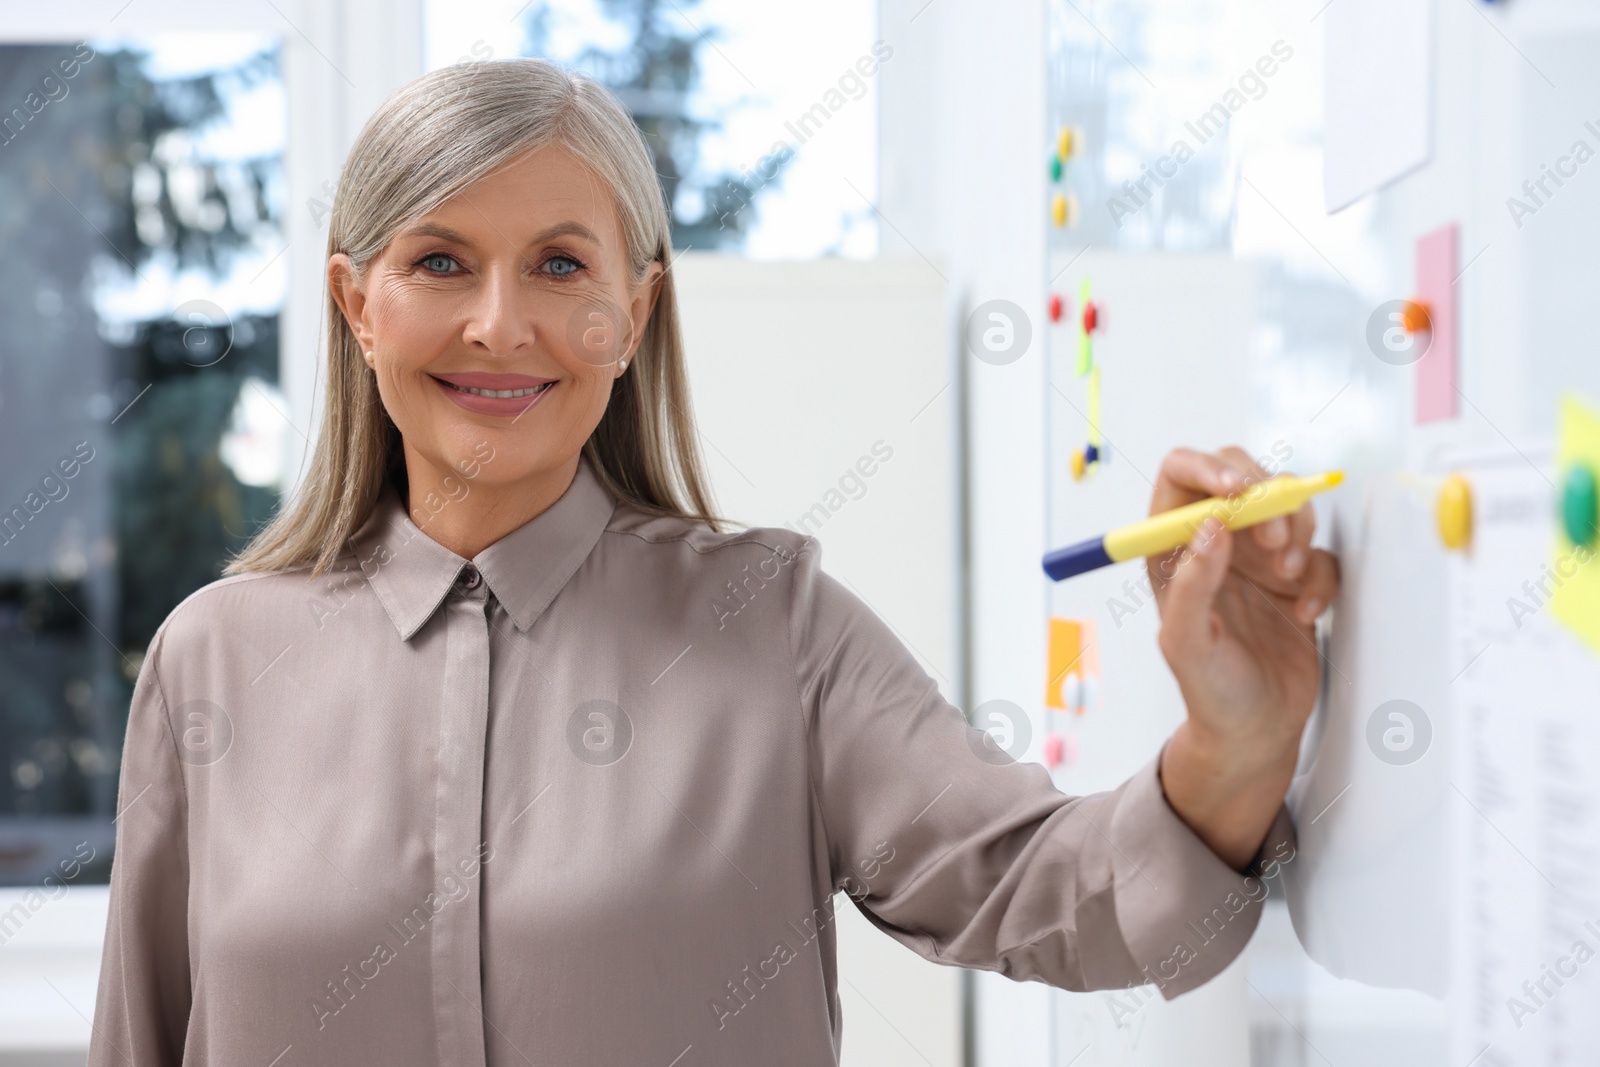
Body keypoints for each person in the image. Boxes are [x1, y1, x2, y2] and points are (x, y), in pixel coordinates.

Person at [89, 58, 1337, 1066]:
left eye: (561, 264)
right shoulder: (214, 660)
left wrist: (1232, 745)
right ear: (359, 306)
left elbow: (1054, 894)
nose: (500, 323)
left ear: (632, 315)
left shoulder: (774, 623)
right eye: (440, 261)